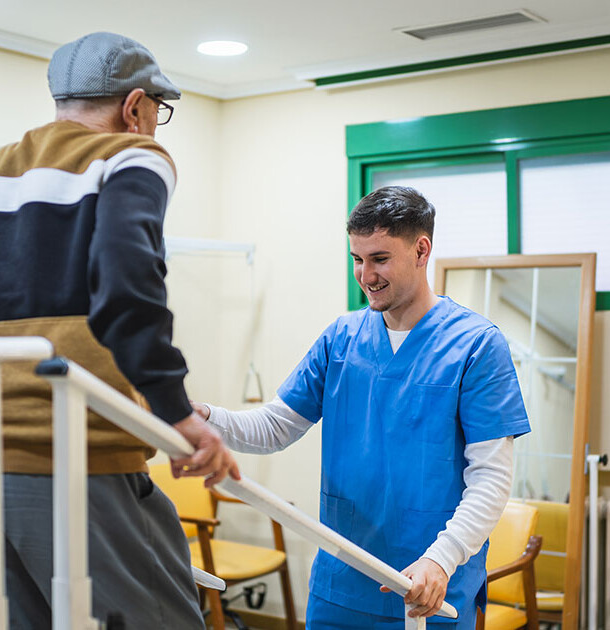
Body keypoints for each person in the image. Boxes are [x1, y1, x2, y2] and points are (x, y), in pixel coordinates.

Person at [0, 32, 239, 629]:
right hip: (78, 455)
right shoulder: (130, 155)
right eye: (158, 114)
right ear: (135, 106)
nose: (156, 127)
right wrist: (175, 412)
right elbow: (127, 284)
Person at [196, 186, 530, 629]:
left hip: (428, 589)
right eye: (357, 259)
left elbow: (490, 478)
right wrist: (206, 419)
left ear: (421, 249)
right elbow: (276, 426)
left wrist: (441, 559)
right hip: (340, 588)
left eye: (379, 259)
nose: (365, 275)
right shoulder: (341, 338)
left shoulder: (476, 346)